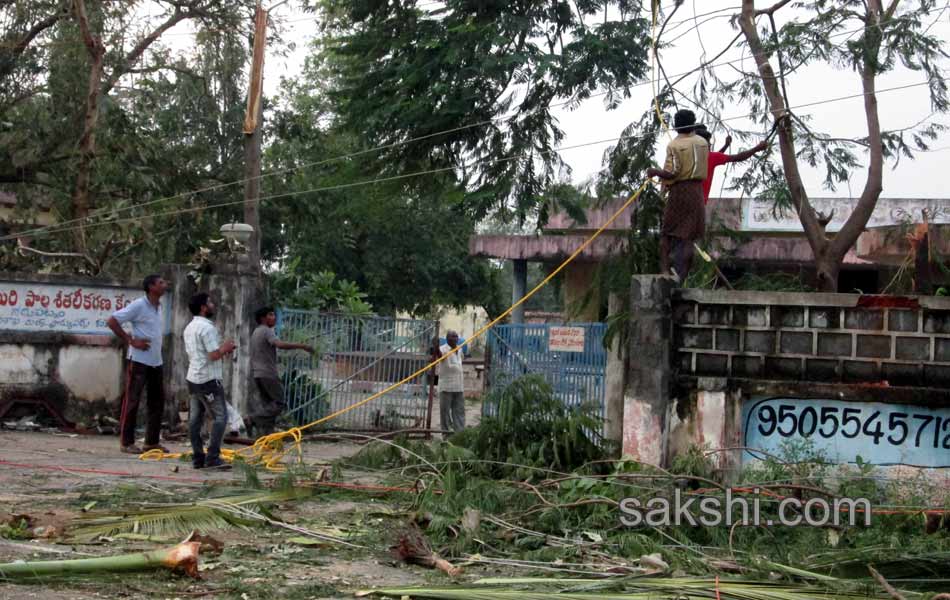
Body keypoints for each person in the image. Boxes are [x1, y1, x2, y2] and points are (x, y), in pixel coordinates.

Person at [107, 274, 169, 454]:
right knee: (132, 400)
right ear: (151, 287)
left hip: (156, 361)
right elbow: (112, 321)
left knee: (157, 402)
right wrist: (130, 340)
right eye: (161, 283)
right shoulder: (139, 305)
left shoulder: (159, 307)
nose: (164, 285)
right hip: (139, 361)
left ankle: (151, 442)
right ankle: (126, 442)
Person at [646, 109, 709, 283]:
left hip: (680, 191)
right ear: (693, 123)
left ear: (675, 125)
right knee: (689, 237)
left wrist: (654, 171)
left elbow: (672, 173)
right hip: (697, 192)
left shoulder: (674, 145)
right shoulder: (703, 142)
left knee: (667, 233)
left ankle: (665, 272)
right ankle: (682, 277)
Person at [183, 293, 236, 470]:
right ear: (203, 307)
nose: (213, 305)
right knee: (221, 417)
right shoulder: (207, 328)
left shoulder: (189, 327)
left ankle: (198, 457)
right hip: (208, 380)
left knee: (195, 420)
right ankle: (212, 457)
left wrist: (222, 350)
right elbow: (213, 355)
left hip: (193, 377)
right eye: (210, 302)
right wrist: (226, 348)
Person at [248, 307, 314, 436]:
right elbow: (280, 344)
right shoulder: (267, 331)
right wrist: (302, 346)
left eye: (274, 314)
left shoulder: (256, 332)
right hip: (268, 374)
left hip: (258, 374)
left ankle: (267, 437)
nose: (274, 317)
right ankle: (252, 419)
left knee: (269, 406)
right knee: (279, 403)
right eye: (270, 315)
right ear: (263, 318)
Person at [694, 124, 768, 204]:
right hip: (698, 204)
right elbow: (738, 157)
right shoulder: (711, 157)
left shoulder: (689, 155)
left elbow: (715, 158)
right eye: (708, 141)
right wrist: (757, 148)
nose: (710, 144)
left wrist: (726, 146)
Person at [432, 330, 465, 435]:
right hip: (446, 387)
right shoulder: (443, 349)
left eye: (456, 336)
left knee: (459, 412)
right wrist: (436, 347)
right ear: (447, 338)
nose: (455, 338)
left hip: (459, 387)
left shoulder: (459, 349)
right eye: (452, 336)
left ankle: (459, 434)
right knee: (445, 413)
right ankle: (446, 435)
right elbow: (440, 355)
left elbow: (460, 362)